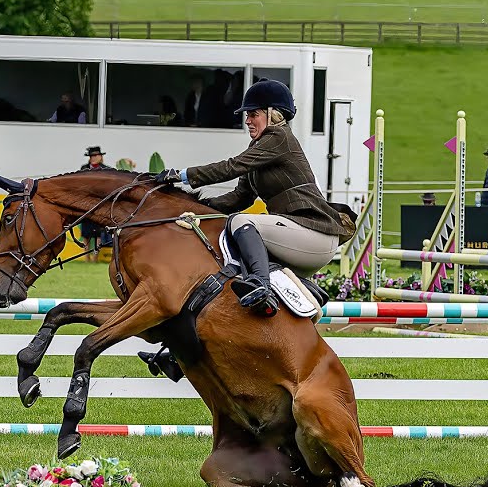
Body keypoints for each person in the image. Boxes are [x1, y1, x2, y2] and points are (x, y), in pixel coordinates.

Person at [153, 80, 357, 316]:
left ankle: (261, 285)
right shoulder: (260, 147)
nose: (247, 120)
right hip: (297, 237)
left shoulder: (279, 137)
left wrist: (182, 175)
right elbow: (239, 198)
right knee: (230, 253)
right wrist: (195, 208)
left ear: (273, 114)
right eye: (247, 115)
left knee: (241, 221)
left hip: (315, 235)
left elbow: (231, 167)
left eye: (253, 114)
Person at [78, 146, 114, 260]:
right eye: (91, 156)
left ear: (100, 157)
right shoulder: (84, 169)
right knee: (86, 233)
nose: (93, 158)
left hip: (100, 205)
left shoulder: (107, 170)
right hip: (87, 205)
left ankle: (95, 258)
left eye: (95, 156)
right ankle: (86, 257)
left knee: (99, 233)